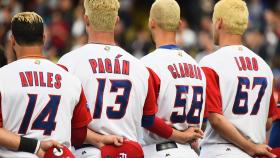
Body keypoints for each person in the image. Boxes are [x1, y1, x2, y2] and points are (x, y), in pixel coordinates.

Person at [58, 0, 203, 157]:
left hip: (88, 150)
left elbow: (61, 121)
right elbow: (148, 117)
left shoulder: (68, 63)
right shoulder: (140, 67)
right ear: (116, 21)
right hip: (131, 150)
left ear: (86, 19)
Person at [0, 12, 118, 158]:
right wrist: (99, 139)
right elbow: (78, 132)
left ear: (12, 40)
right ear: (44, 38)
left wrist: (34, 146)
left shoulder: (2, 76)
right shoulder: (69, 78)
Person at [199, 0, 277, 158]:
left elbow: (215, 120)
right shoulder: (264, 66)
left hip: (220, 150)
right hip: (255, 151)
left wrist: (248, 146)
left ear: (219, 22)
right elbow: (268, 120)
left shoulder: (210, 62)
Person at [140, 0, 205, 157]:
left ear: (151, 23)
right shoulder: (197, 66)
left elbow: (146, 119)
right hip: (189, 152)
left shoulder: (146, 64)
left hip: (157, 150)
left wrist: (179, 135)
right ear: (179, 24)